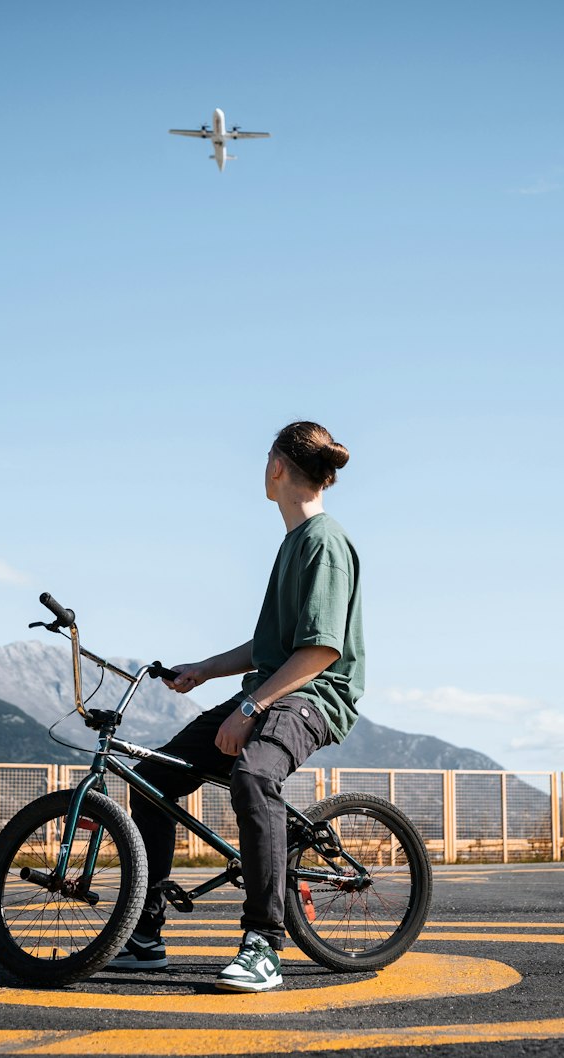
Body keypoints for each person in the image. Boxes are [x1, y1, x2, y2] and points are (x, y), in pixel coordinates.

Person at [109, 420, 365, 992]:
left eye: (265, 459)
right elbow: (269, 645)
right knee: (155, 778)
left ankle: (263, 946)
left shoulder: (323, 543)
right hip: (273, 687)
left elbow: (321, 649)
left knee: (253, 775)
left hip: (314, 697)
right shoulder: (294, 543)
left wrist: (248, 710)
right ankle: (144, 935)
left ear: (277, 467)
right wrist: (203, 671)